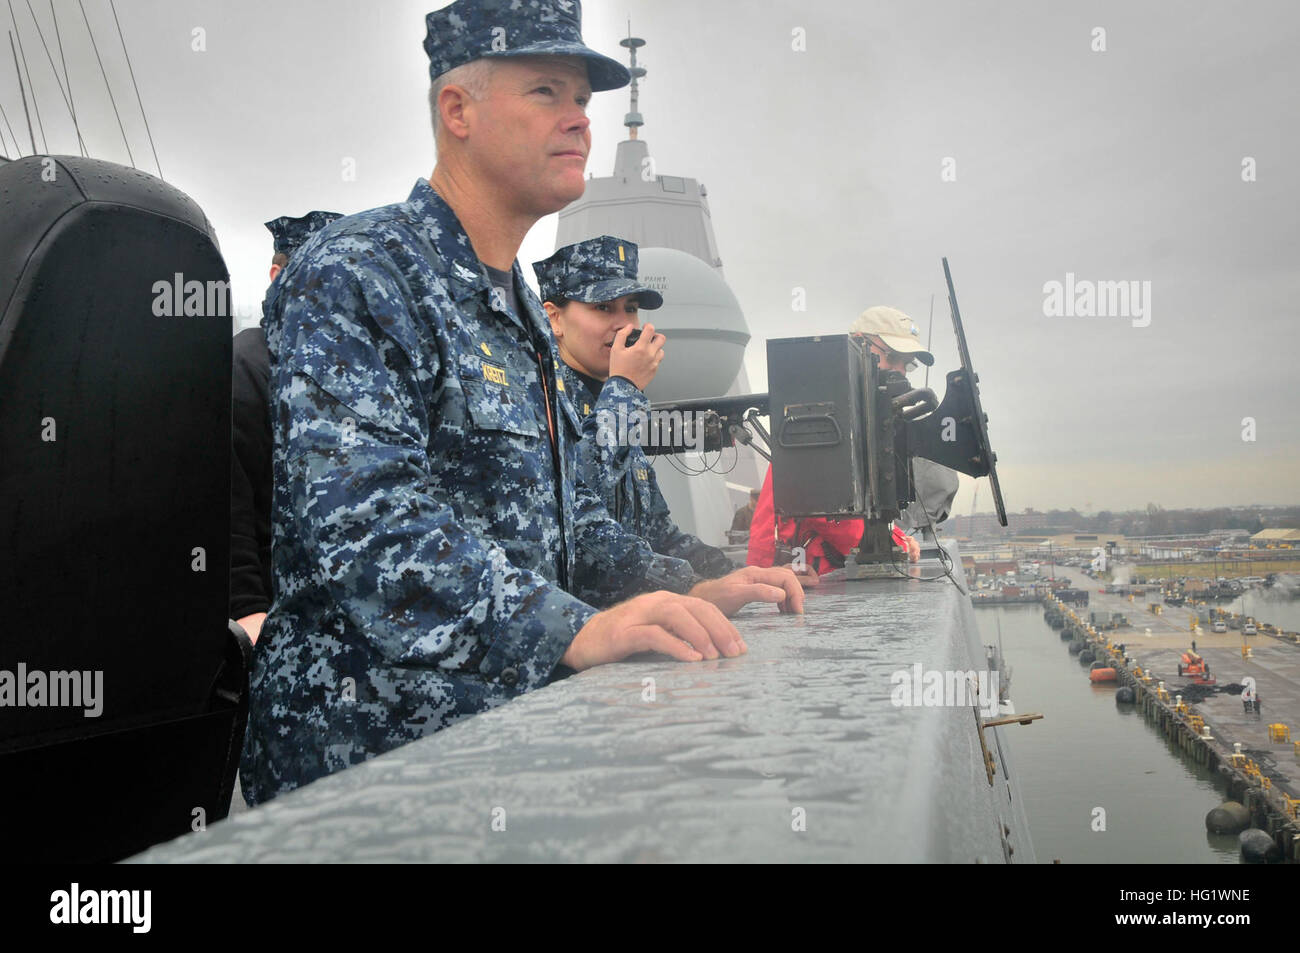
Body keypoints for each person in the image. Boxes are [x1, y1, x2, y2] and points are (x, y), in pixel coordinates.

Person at [240, 0, 803, 805]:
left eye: (583, 100)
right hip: (367, 776)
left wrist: (685, 586)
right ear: (457, 109)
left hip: (509, 761)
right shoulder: (358, 274)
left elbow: (572, 527)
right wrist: (571, 626)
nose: (579, 119)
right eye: (546, 90)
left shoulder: (518, 320)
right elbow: (371, 526)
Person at [535, 235, 736, 580]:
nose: (624, 324)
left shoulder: (613, 400)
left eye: (630, 308)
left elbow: (661, 537)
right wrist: (625, 389)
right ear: (554, 319)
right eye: (603, 308)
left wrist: (740, 577)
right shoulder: (538, 399)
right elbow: (574, 517)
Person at [749, 306, 959, 573]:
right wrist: (897, 542)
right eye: (892, 357)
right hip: (792, 577)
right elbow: (824, 504)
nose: (900, 371)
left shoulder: (857, 412)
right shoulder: (825, 407)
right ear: (858, 342)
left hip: (812, 576)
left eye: (906, 364)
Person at [230, 210, 342, 645]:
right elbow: (225, 501)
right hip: (273, 621)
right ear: (277, 275)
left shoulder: (348, 376)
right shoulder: (247, 364)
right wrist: (248, 613)